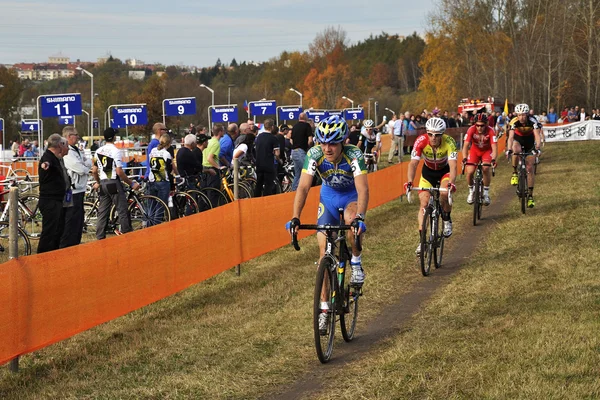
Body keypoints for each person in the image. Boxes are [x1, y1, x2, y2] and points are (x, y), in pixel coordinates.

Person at [287, 115, 368, 333]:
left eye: (332, 143)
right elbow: (303, 187)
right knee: (323, 252)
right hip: (329, 199)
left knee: (352, 224)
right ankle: (324, 309)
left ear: (343, 142)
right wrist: (296, 217)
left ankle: (357, 263)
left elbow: (362, 189)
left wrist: (360, 216)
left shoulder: (354, 154)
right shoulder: (314, 154)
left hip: (350, 197)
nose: (327, 148)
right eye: (323, 142)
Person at [404, 117, 457, 255]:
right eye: (431, 134)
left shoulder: (449, 142)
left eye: (437, 135)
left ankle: (446, 218)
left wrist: (452, 183)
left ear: (442, 134)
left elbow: (452, 165)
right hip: (427, 174)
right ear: (427, 133)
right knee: (424, 204)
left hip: (444, 173)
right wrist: (409, 181)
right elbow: (413, 163)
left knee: (444, 194)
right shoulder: (421, 141)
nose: (433, 138)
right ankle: (422, 241)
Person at [92, 128, 140, 239]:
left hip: (103, 183)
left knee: (102, 212)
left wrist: (98, 182)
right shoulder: (116, 151)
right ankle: (127, 236)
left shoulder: (98, 151)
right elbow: (119, 171)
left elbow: (94, 171)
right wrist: (131, 183)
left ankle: (100, 238)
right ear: (114, 137)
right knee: (122, 210)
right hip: (113, 182)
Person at [37, 134, 70, 254]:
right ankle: (42, 257)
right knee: (49, 232)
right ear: (59, 145)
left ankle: (53, 255)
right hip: (50, 201)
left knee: (56, 231)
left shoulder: (55, 157)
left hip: (56, 200)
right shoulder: (48, 157)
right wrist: (45, 165)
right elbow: (46, 164)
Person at [60, 126, 92, 248]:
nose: (78, 137)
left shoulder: (76, 150)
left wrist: (85, 165)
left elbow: (87, 161)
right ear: (68, 137)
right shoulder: (67, 152)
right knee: (71, 220)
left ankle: (75, 243)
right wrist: (86, 166)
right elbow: (80, 168)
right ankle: (67, 245)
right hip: (72, 191)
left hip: (80, 189)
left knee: (78, 220)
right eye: (76, 135)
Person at [506, 103, 542, 208]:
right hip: (518, 140)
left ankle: (530, 196)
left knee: (530, 168)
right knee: (515, 150)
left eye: (523, 115)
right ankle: (514, 173)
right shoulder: (514, 121)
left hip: (529, 142)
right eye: (519, 115)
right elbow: (511, 137)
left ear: (527, 115)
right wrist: (508, 149)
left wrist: (538, 148)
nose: (521, 117)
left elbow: (537, 136)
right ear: (517, 115)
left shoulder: (533, 121)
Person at [462, 114, 498, 206]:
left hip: (487, 151)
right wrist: (465, 158)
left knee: (485, 168)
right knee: (470, 172)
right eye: (477, 125)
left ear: (486, 124)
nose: (479, 127)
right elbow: (465, 146)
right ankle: (471, 191)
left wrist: (493, 159)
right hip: (475, 151)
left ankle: (486, 193)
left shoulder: (491, 131)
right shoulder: (471, 130)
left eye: (482, 125)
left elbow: (494, 147)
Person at [254, 119, 280, 197]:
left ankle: (256, 200)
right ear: (272, 127)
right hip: (268, 164)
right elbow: (277, 153)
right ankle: (266, 202)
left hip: (259, 163)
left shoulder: (259, 137)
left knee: (259, 184)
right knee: (268, 185)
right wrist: (279, 160)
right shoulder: (273, 138)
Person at [148, 134, 174, 208]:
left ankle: (150, 220)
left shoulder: (153, 150)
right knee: (161, 207)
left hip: (152, 180)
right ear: (169, 144)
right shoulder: (167, 154)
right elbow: (169, 171)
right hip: (163, 181)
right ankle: (157, 220)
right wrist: (172, 186)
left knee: (151, 207)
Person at [290, 112, 314, 191]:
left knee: (297, 174)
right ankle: (307, 191)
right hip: (301, 151)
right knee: (308, 172)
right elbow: (310, 140)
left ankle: (293, 191)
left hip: (294, 152)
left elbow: (291, 140)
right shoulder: (307, 126)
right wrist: (309, 147)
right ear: (306, 118)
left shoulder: (294, 127)